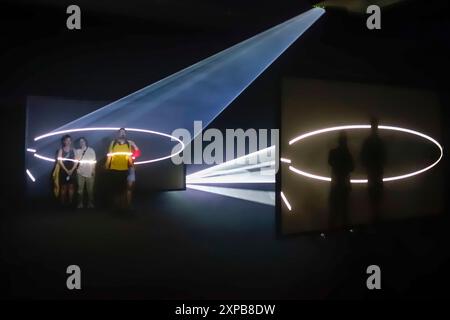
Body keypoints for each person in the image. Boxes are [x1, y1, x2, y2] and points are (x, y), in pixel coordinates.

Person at [105, 128, 140, 210]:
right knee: (115, 189)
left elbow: (128, 157)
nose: (122, 134)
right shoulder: (113, 143)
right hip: (114, 169)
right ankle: (116, 208)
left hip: (124, 169)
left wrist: (132, 165)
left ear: (125, 134)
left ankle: (122, 207)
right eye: (121, 132)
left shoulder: (128, 144)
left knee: (122, 189)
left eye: (124, 132)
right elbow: (110, 155)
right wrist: (107, 165)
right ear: (118, 134)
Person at [361, 117, 386, 223]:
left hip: (376, 172)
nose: (374, 127)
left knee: (376, 194)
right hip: (373, 172)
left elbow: (384, 156)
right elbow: (363, 156)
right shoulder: (373, 141)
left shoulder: (377, 141)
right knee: (373, 194)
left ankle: (376, 216)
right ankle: (374, 216)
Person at [328, 131, 354, 229]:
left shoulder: (334, 152)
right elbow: (352, 167)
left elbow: (330, 162)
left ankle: (333, 230)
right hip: (342, 185)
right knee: (343, 211)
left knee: (336, 211)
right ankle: (342, 230)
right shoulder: (346, 153)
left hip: (337, 184)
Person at [75, 137, 96, 209]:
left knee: (90, 190)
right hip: (80, 172)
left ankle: (90, 203)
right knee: (80, 189)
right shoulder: (77, 151)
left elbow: (94, 161)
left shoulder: (91, 150)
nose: (81, 143)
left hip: (90, 172)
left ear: (85, 142)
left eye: (83, 141)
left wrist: (93, 170)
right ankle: (80, 203)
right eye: (80, 142)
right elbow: (76, 161)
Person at [57, 134, 76, 207]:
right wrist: (66, 170)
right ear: (64, 141)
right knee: (63, 187)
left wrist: (71, 170)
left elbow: (77, 161)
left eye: (69, 140)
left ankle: (70, 203)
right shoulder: (61, 150)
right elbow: (60, 161)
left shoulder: (74, 150)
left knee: (71, 187)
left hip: (72, 170)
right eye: (66, 140)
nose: (68, 142)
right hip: (63, 171)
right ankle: (62, 204)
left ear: (71, 141)